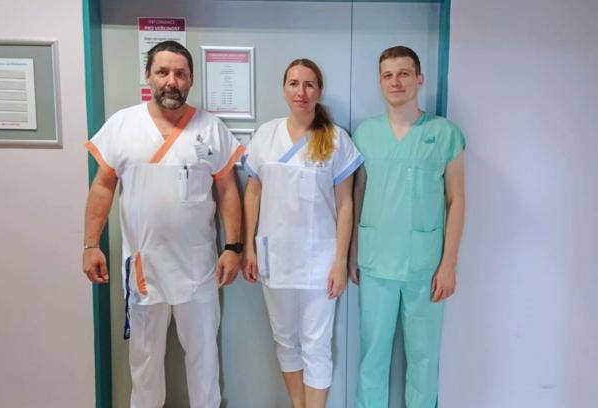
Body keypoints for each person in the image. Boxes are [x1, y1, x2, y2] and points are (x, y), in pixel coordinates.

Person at [82, 40, 244, 408]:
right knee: (144, 363)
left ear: (191, 80)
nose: (171, 81)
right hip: (144, 269)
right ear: (148, 76)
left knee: (204, 359)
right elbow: (103, 186)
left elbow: (227, 190)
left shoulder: (211, 128)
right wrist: (91, 245)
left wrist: (233, 248)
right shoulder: (123, 124)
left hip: (198, 269)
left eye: (180, 74)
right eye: (163, 72)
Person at [242, 58, 363, 408]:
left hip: (319, 260)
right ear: (284, 89)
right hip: (274, 256)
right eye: (294, 83)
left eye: (309, 84)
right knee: (284, 340)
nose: (301, 91)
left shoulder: (336, 139)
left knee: (316, 345)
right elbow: (253, 192)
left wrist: (340, 261)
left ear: (319, 91)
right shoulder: (266, 135)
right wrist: (248, 248)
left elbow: (345, 205)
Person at [350, 46, 466, 408]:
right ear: (380, 82)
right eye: (388, 75)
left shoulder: (445, 134)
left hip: (425, 266)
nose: (395, 82)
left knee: (424, 358)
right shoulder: (365, 134)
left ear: (419, 79)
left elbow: (457, 200)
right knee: (372, 356)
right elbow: (358, 194)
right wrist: (352, 252)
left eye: (403, 73)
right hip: (375, 263)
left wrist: (448, 264)